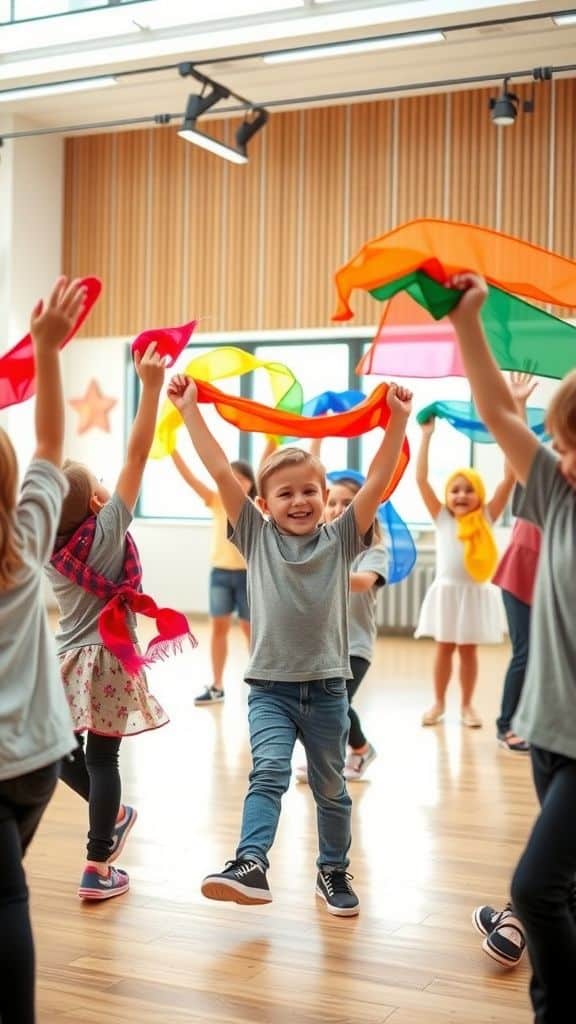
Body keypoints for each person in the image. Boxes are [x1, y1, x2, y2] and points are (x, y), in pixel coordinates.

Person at [168, 372, 412, 915]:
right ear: (264, 502)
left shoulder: (341, 536)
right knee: (270, 772)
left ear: (326, 500)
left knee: (331, 789)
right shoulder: (254, 535)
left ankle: (333, 871)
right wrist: (189, 410)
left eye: (309, 492)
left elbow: (376, 480)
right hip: (270, 691)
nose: (299, 500)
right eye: (286, 493)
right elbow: (216, 469)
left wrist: (395, 419)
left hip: (327, 690)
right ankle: (250, 863)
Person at [448, 271, 576, 1023]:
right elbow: (498, 411)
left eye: (570, 443)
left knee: (532, 890)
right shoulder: (559, 493)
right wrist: (469, 320)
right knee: (565, 887)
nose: (558, 454)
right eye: (557, 442)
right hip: (551, 734)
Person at [46, 341, 187, 901]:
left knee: (61, 754)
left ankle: (107, 842)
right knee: (104, 758)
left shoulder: (45, 548)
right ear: (98, 500)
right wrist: (150, 388)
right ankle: (97, 864)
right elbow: (137, 454)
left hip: (65, 661)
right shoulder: (107, 533)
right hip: (108, 660)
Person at [0, 277, 87, 1024]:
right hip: (40, 763)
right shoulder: (24, 539)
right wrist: (50, 352)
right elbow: (52, 442)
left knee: (5, 902)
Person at [414, 415, 516, 728]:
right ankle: (439, 703)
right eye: (455, 490)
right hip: (447, 592)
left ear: (480, 495)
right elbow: (421, 480)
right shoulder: (442, 517)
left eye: (468, 490)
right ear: (447, 496)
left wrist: (504, 433)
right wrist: (427, 436)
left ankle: (468, 705)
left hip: (473, 593)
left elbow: (509, 479)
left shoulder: (487, 516)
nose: (461, 495)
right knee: (444, 649)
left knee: (468, 651)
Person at [296, 469, 387, 783]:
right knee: (321, 705)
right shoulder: (319, 545)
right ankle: (330, 756)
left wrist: (330, 574)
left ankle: (359, 750)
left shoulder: (373, 550)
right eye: (332, 502)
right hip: (322, 645)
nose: (337, 509)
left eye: (347, 503)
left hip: (355, 645)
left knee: (337, 704)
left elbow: (363, 582)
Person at [170, 446, 262, 706]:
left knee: (251, 631)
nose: (234, 482)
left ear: (250, 483)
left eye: (240, 478)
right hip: (220, 574)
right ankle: (217, 686)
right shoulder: (217, 500)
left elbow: (266, 457)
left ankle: (263, 684)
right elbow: (190, 478)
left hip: (247, 575)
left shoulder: (254, 506)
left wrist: (271, 439)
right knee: (218, 630)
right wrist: (173, 450)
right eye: (230, 477)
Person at [493, 514, 541, 752]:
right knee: (526, 653)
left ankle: (528, 722)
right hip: (519, 581)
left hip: (542, 582)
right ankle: (506, 725)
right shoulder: (541, 493)